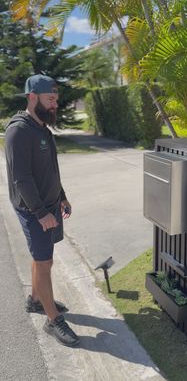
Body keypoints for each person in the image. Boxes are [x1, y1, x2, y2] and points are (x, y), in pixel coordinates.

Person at [5, 74, 80, 347]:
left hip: (49, 205)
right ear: (32, 97)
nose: (55, 105)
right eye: (50, 99)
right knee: (45, 262)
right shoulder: (19, 131)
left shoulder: (42, 129)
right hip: (33, 209)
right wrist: (40, 212)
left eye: (56, 100)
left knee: (41, 257)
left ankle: (36, 299)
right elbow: (21, 178)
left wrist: (61, 196)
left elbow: (50, 169)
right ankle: (52, 320)